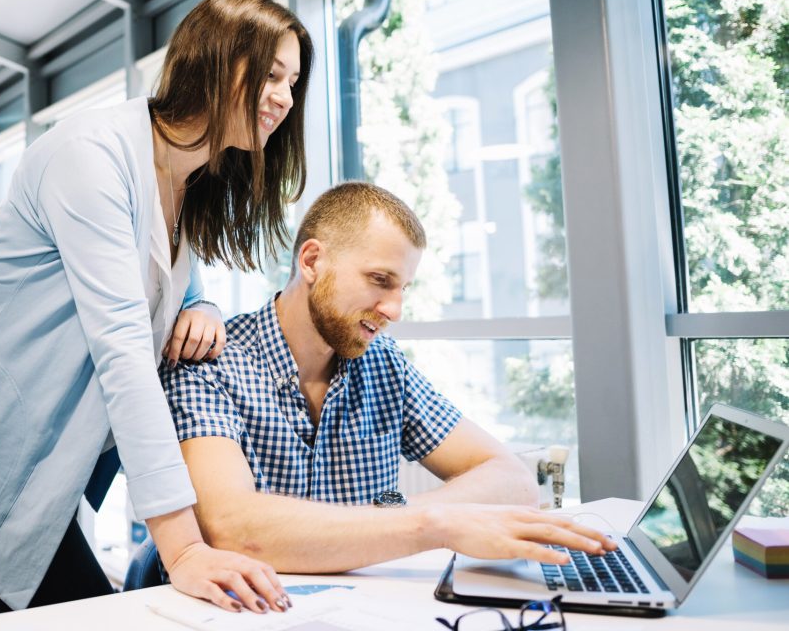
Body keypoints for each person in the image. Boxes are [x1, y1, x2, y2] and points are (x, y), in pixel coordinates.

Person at [0, 0, 311, 616]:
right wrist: (185, 548)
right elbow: (124, 352)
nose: (285, 97)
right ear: (216, 60)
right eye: (272, 74)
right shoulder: (92, 156)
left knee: (20, 607)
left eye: (294, 82)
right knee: (68, 609)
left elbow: (163, 276)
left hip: (50, 445)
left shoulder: (185, 174)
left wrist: (204, 306)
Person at [161, 182, 615, 573]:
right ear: (312, 261)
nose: (394, 310)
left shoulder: (383, 362)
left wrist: (394, 519)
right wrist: (431, 525)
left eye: (403, 289)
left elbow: (513, 482)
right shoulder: (209, 362)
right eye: (380, 280)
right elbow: (233, 527)